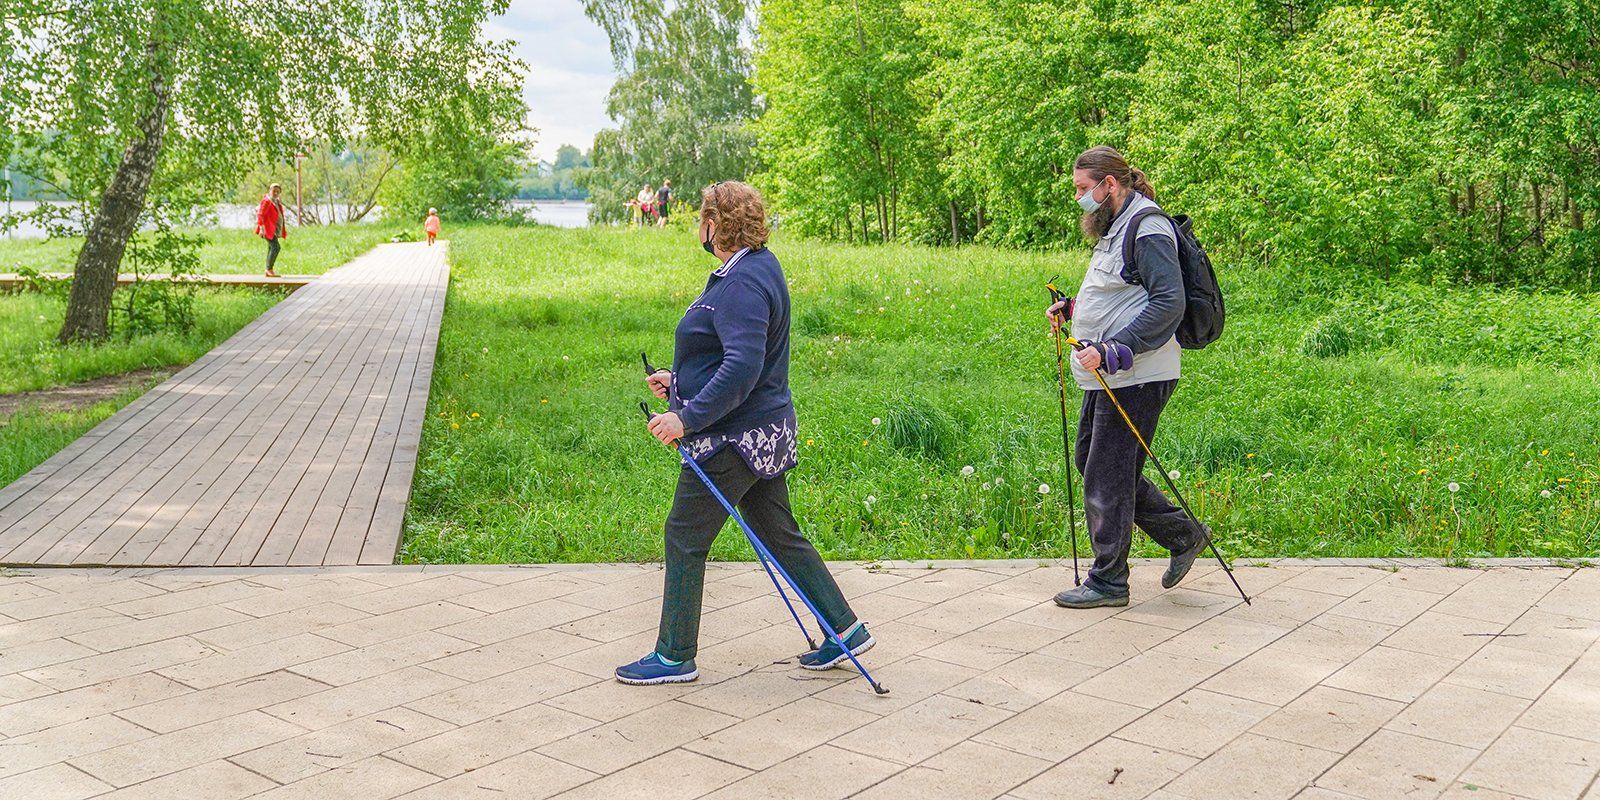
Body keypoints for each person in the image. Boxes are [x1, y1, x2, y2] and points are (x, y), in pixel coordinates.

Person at [618, 181, 875, 685]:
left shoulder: (740, 284)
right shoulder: (759, 266)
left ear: (715, 225)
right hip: (762, 430)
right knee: (778, 532)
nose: (697, 227)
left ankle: (674, 655)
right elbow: (733, 356)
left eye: (701, 219)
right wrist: (679, 380)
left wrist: (685, 418)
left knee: (685, 535)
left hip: (733, 439)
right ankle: (844, 628)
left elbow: (742, 367)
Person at [1046, 146, 1208, 609]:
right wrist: (1076, 311)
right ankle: (1183, 535)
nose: (1080, 199)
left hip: (1137, 373)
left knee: (1106, 474)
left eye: (1083, 189)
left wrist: (1114, 348)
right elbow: (1123, 294)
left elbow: (1168, 304)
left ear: (1109, 185)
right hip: (1110, 373)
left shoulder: (1149, 227)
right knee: (1094, 463)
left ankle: (1109, 582)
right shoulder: (1118, 225)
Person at [255, 183, 287, 277]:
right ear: (270, 191)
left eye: (278, 191)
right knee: (276, 247)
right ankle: (269, 269)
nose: (276, 193)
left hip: (273, 229)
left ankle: (269, 270)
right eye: (274, 191)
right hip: (267, 229)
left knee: (271, 247)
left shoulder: (275, 201)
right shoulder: (266, 201)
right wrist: (261, 228)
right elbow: (260, 214)